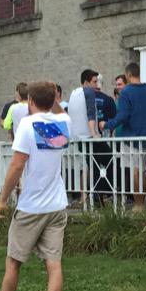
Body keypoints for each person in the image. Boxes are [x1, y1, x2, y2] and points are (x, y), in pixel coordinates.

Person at [0, 82, 71, 291]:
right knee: (54, 265)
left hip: (32, 207)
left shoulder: (27, 125)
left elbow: (17, 165)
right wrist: (52, 95)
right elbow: (56, 110)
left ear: (30, 101)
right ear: (54, 98)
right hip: (57, 206)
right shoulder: (64, 122)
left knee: (13, 262)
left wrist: (1, 200)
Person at [102, 63, 146, 211]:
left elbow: (123, 116)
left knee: (135, 171)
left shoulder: (126, 92)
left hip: (130, 138)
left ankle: (139, 205)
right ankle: (144, 203)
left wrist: (107, 124)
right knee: (141, 170)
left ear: (128, 75)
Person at [66, 70, 101, 206]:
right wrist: (94, 134)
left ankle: (84, 196)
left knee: (86, 167)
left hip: (76, 137)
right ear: (86, 82)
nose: (96, 85)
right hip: (87, 137)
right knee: (106, 161)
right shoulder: (89, 92)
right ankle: (98, 195)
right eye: (94, 82)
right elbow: (91, 113)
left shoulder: (74, 93)